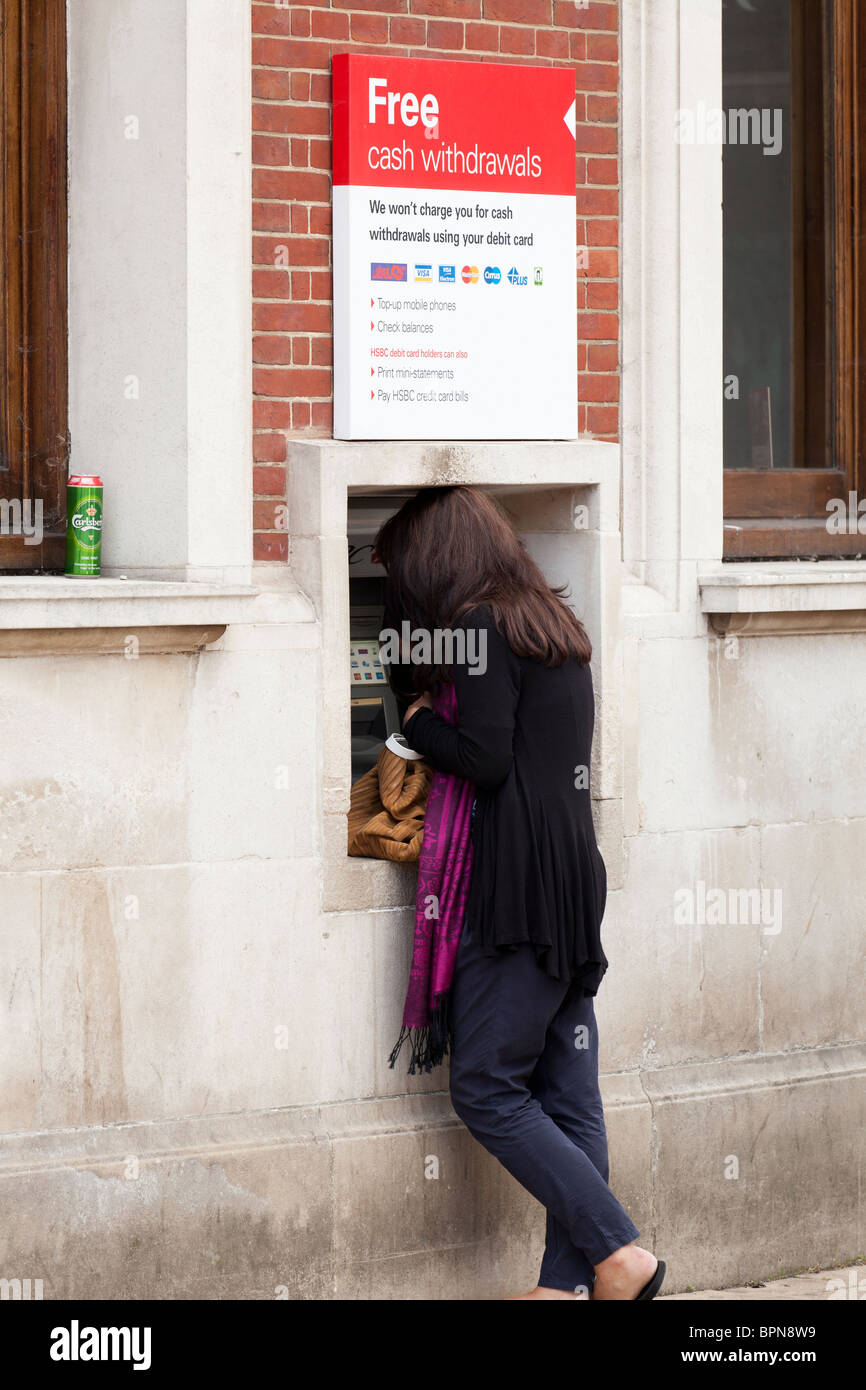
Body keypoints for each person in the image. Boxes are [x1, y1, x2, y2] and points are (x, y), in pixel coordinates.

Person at [374, 485, 665, 1301]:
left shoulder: (478, 625)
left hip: (515, 889)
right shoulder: (550, 619)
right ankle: (566, 1287)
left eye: (403, 569)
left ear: (434, 560)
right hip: (570, 876)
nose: (401, 587)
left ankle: (621, 1255)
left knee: (486, 1087)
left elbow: (487, 758)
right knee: (568, 1092)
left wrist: (416, 719)